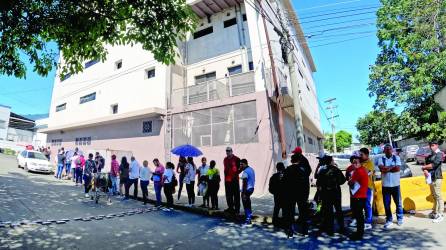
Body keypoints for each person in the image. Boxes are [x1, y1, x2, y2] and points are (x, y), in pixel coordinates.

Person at [316, 155, 346, 235]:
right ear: (331, 161)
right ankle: (342, 228)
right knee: (338, 210)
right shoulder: (336, 169)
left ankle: (330, 230)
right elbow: (343, 181)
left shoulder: (322, 171)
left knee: (329, 211)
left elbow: (318, 183)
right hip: (336, 192)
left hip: (326, 193)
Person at [284, 153, 312, 237]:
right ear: (299, 161)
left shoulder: (288, 170)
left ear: (291, 161)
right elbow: (307, 183)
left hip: (291, 195)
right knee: (303, 213)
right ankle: (305, 231)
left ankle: (290, 233)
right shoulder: (303, 170)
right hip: (302, 195)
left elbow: (284, 184)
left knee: (290, 213)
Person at [378, 144, 403, 228]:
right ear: (384, 151)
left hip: (396, 185)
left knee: (398, 203)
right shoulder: (381, 159)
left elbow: (398, 169)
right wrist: (392, 167)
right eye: (386, 149)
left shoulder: (397, 158)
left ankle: (399, 218)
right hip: (386, 186)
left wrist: (387, 169)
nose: (388, 150)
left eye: (390, 149)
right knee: (386, 204)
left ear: (392, 150)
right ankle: (389, 219)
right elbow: (382, 169)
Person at [422, 141, 444, 223]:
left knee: (438, 196)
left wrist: (424, 167)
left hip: (437, 177)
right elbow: (426, 164)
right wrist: (425, 170)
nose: (431, 147)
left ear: (437, 145)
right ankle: (435, 212)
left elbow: (434, 164)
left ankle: (441, 214)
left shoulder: (439, 154)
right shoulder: (430, 155)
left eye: (433, 145)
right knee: (434, 196)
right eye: (430, 145)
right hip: (430, 177)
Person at [348, 154, 368, 240]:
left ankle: (359, 234)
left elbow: (351, 183)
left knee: (358, 216)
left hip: (358, 196)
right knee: (359, 216)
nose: (354, 164)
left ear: (360, 163)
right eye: (353, 163)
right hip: (361, 195)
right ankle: (360, 232)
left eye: (356, 162)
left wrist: (350, 181)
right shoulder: (363, 169)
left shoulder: (358, 171)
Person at [359, 148, 375, 229]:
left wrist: (359, 166)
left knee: (367, 204)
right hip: (360, 187)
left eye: (361, 154)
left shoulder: (370, 163)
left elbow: (366, 173)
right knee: (361, 205)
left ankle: (369, 221)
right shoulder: (360, 162)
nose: (360, 156)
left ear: (367, 155)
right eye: (359, 154)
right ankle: (364, 220)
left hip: (368, 187)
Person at [223, 147, 241, 214]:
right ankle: (230, 208)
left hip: (234, 180)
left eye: (229, 151)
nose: (227, 152)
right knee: (228, 195)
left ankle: (237, 209)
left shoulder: (237, 159)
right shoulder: (225, 159)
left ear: (232, 151)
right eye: (226, 151)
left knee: (236, 195)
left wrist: (236, 174)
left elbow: (240, 168)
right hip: (227, 180)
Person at [269, 162, 286, 227]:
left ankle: (275, 222)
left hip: (277, 196)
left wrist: (275, 192)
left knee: (276, 208)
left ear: (277, 168)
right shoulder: (287, 176)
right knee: (285, 209)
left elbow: (270, 188)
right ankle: (284, 222)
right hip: (285, 196)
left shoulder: (273, 177)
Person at [240, 159, 255, 224]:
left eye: (242, 164)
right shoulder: (251, 169)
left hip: (246, 189)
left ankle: (248, 219)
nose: (241, 166)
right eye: (240, 164)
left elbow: (245, 182)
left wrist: (243, 193)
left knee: (245, 204)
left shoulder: (245, 172)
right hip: (251, 188)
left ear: (245, 164)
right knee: (248, 202)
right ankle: (249, 215)